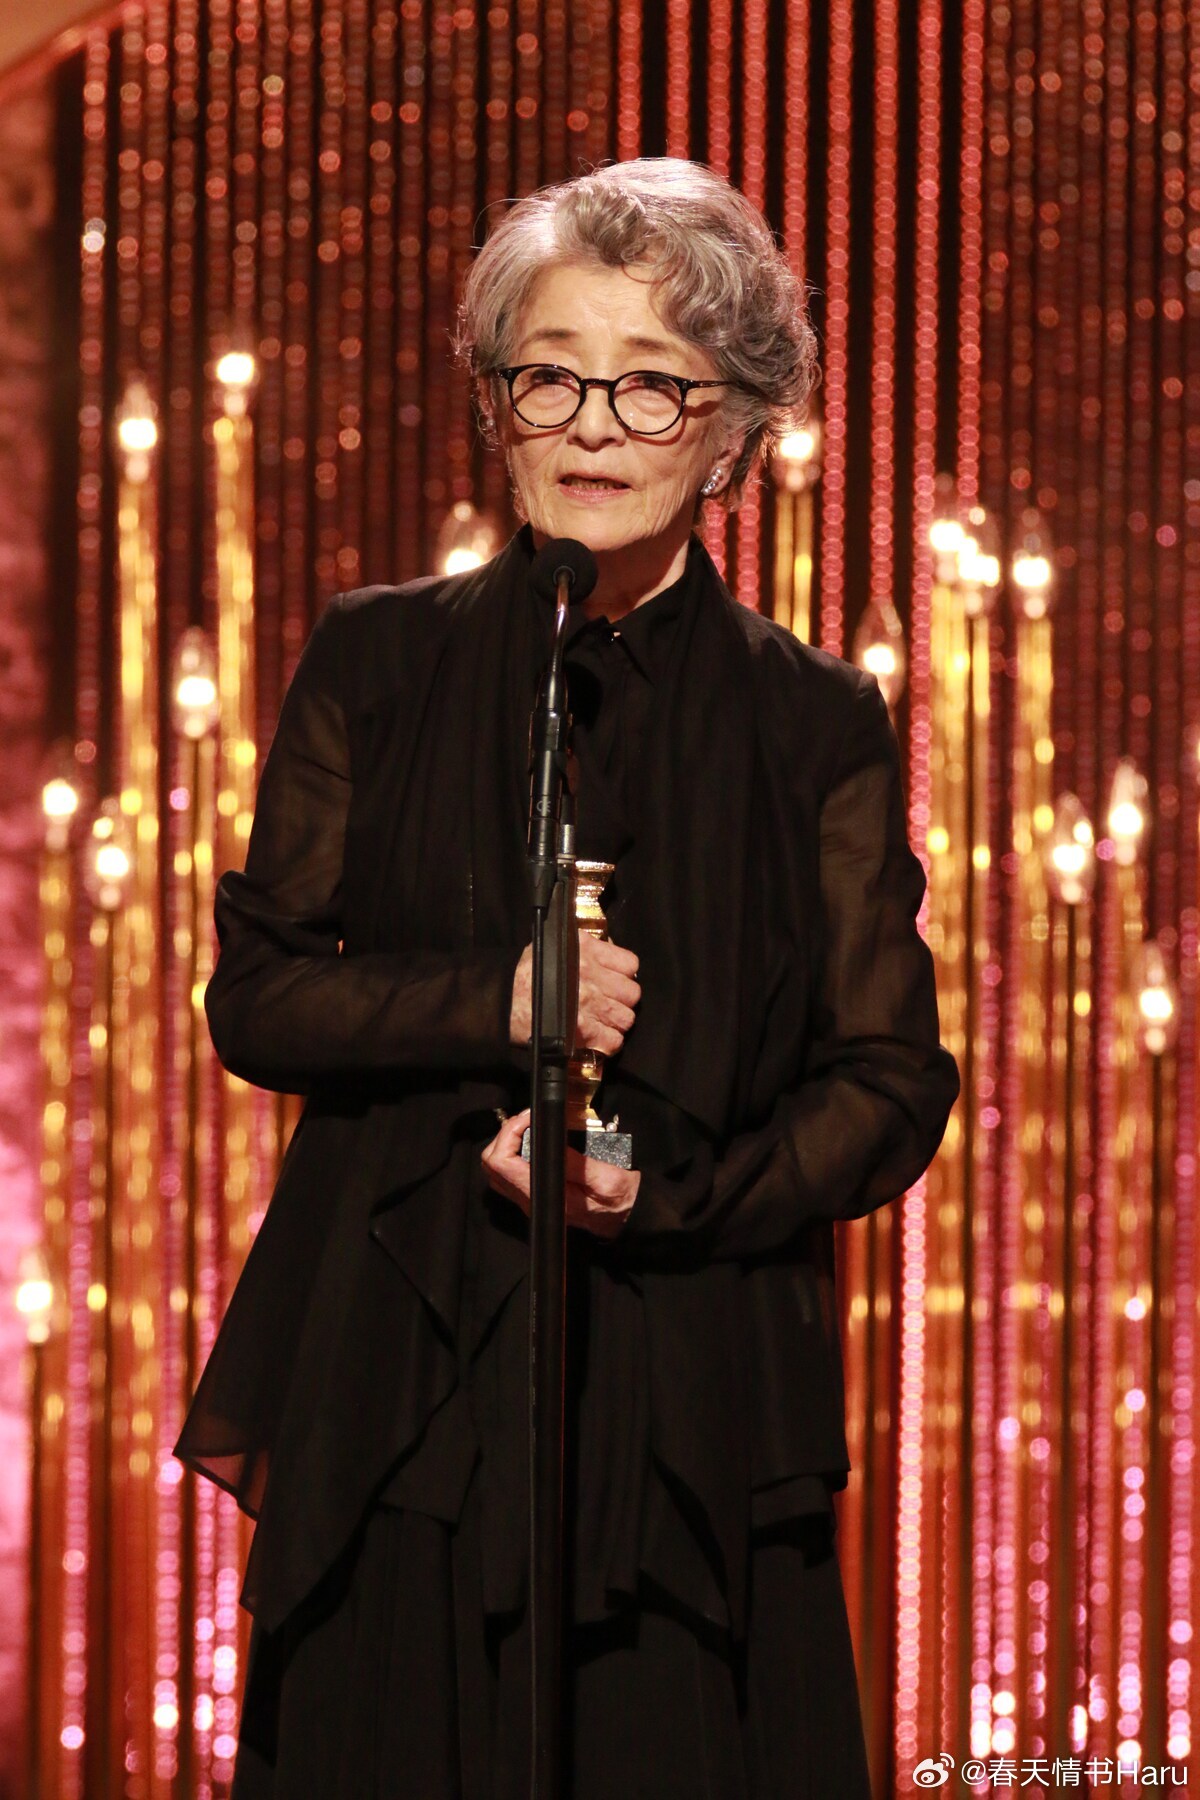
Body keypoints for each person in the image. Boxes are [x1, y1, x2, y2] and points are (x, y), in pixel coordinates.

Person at [175, 157, 960, 1799]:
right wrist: (499, 1000)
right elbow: (259, 995)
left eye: (652, 385)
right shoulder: (375, 657)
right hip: (402, 1383)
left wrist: (664, 1199)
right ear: (498, 404)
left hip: (693, 1408)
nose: (594, 425)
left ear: (730, 434)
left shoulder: (814, 721)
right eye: (552, 375)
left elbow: (890, 1083)